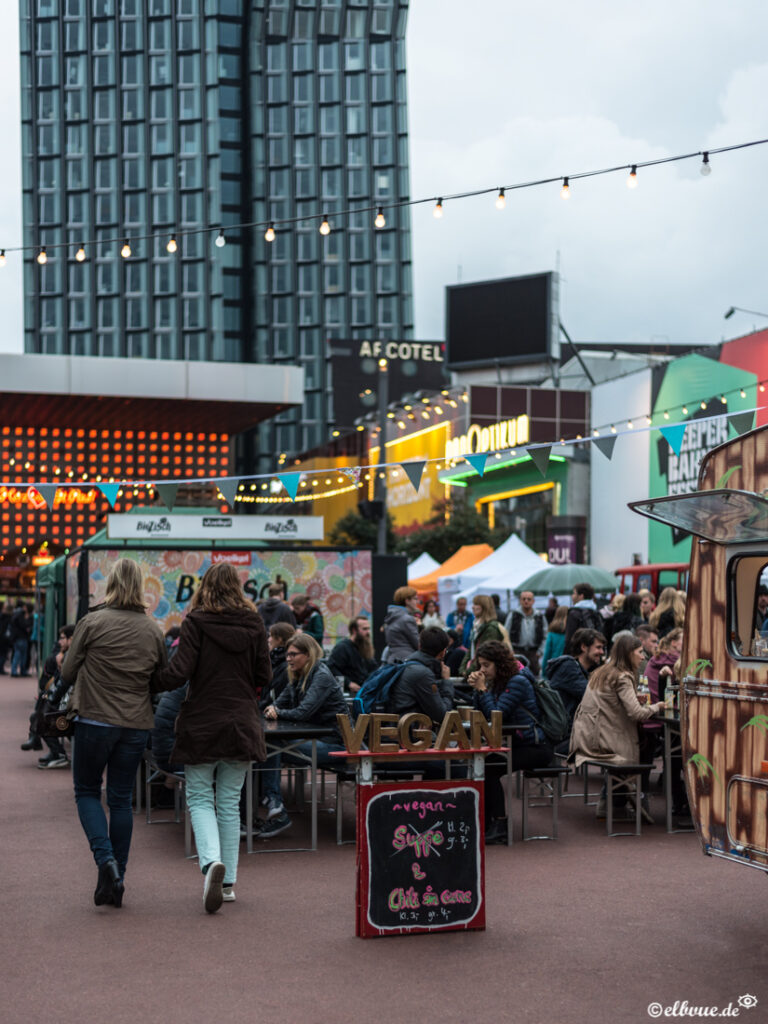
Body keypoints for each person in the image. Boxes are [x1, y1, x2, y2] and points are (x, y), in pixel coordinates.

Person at [155, 561, 271, 912]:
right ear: (238, 587)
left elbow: (179, 672)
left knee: (201, 796)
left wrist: (150, 680)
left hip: (202, 722)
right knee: (230, 802)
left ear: (205, 586)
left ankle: (210, 865)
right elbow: (265, 674)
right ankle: (230, 882)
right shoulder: (254, 624)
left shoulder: (196, 622)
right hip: (241, 722)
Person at [60, 558, 168, 909]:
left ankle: (105, 861)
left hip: (93, 719)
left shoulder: (92, 622)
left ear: (111, 584)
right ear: (140, 586)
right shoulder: (153, 629)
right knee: (121, 799)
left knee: (87, 791)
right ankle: (116, 876)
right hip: (135, 724)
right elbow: (160, 678)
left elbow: (66, 672)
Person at [569, 633, 667, 822]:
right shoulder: (622, 676)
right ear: (629, 653)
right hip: (603, 740)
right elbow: (636, 714)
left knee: (642, 745)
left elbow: (613, 704)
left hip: (588, 736)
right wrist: (658, 706)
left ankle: (612, 802)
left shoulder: (603, 671)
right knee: (645, 748)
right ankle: (630, 800)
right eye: (639, 652)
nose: (643, 657)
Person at [260, 634, 350, 838]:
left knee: (270, 745)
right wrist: (274, 708)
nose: (288, 659)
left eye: (293, 654)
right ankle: (271, 801)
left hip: (338, 746)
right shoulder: (299, 676)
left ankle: (273, 803)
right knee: (266, 744)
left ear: (308, 654)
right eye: (287, 655)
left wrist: (278, 712)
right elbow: (277, 704)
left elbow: (303, 712)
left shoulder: (321, 676)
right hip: (317, 740)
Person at [468, 640, 554, 845]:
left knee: (489, 768)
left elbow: (496, 715)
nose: (482, 670)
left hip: (535, 747)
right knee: (483, 765)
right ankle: (487, 822)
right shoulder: (500, 681)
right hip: (517, 743)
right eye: (480, 665)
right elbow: (480, 714)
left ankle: (499, 825)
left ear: (500, 664)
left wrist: (482, 690)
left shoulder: (517, 681)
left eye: (486, 665)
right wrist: (478, 690)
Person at [645, 629, 690, 826]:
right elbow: (669, 697)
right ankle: (683, 801)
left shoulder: (656, 660)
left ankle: (680, 801)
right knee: (677, 755)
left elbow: (666, 696)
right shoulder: (675, 662)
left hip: (659, 716)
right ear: (673, 643)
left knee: (672, 757)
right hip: (662, 718)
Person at [547, 627, 607, 748]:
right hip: (563, 737)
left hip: (572, 731)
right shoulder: (568, 667)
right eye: (598, 647)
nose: (602, 652)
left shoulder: (582, 670)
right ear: (584, 647)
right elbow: (591, 696)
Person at [27, 624, 76, 768]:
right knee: (42, 708)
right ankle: (53, 750)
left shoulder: (70, 656)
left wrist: (52, 697)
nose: (60, 642)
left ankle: (57, 752)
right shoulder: (64, 654)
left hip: (71, 704)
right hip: (67, 701)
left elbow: (65, 682)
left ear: (71, 639)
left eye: (62, 638)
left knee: (41, 716)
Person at [385, 625, 454, 724]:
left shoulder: (407, 664)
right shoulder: (423, 674)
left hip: (396, 726)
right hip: (405, 732)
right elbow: (443, 715)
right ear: (443, 652)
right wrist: (447, 682)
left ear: (419, 645)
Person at [326, 616, 377, 694]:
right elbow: (332, 669)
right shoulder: (342, 648)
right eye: (364, 629)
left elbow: (373, 669)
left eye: (368, 628)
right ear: (354, 630)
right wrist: (349, 683)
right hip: (349, 693)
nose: (368, 632)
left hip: (364, 691)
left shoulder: (366, 647)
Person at [504, 590, 547, 677]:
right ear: (520, 601)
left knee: (534, 677)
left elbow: (545, 635)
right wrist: (510, 650)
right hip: (517, 652)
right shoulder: (513, 615)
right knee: (516, 676)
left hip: (534, 653)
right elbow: (505, 634)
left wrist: (540, 652)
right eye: (523, 599)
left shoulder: (539, 616)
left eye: (528, 599)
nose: (526, 601)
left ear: (533, 601)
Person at [460, 594, 504, 675]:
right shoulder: (477, 625)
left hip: (484, 673)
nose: (473, 607)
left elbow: (485, 655)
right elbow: (471, 650)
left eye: (476, 604)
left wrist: (468, 672)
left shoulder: (491, 628)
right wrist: (463, 669)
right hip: (476, 671)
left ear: (484, 607)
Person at [382, 586, 420, 663]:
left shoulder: (392, 616)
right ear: (407, 601)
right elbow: (418, 644)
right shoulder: (407, 619)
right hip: (407, 661)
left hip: (393, 659)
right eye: (415, 599)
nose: (417, 601)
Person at [564, 583, 604, 647]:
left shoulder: (574, 613)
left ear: (581, 596)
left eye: (574, 593)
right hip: (594, 650)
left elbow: (569, 639)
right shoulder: (596, 612)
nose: (572, 596)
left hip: (578, 652)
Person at [541, 604, 568, 678]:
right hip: (567, 667)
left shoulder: (552, 632)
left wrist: (544, 672)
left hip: (553, 667)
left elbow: (547, 654)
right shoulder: (570, 633)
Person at [9, 601, 32, 677]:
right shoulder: (21, 616)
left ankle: (15, 670)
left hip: (18, 638)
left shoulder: (16, 615)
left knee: (18, 655)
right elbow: (24, 625)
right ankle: (20, 671)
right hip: (21, 637)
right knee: (21, 655)